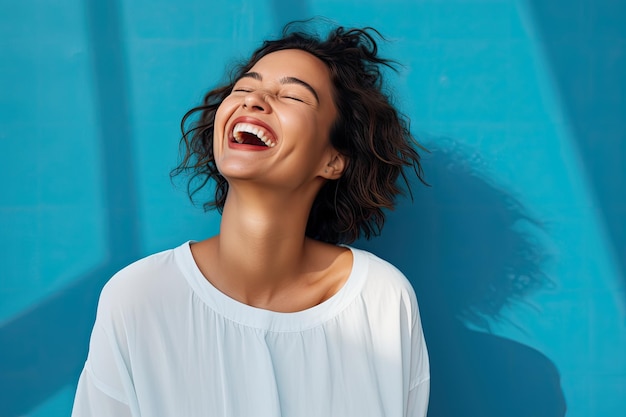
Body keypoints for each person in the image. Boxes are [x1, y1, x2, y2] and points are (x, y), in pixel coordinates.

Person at [72, 22, 430, 417]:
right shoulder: (139, 296)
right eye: (243, 88)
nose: (253, 101)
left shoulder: (380, 301)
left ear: (333, 160)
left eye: (292, 95)